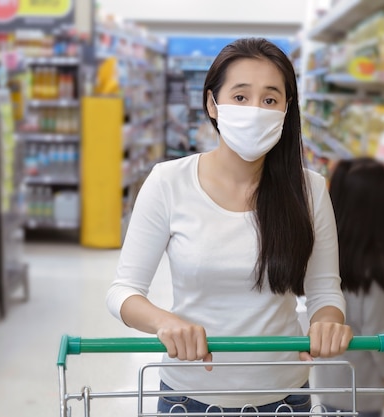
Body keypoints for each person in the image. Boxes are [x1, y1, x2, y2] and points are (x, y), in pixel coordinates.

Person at [106, 37, 353, 414]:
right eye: (240, 97)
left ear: (287, 110)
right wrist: (165, 322)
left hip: (284, 397)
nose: (255, 110)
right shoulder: (168, 182)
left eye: (270, 99)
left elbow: (324, 294)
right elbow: (123, 292)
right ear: (212, 104)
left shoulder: (310, 190)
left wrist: (327, 323)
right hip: (188, 396)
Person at [313, 157, 384, 417]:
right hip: (362, 390)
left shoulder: (328, 257)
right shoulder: (373, 272)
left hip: (331, 380)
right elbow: (376, 335)